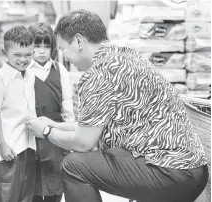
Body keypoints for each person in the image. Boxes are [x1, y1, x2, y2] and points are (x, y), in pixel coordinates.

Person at [26, 9, 209, 202]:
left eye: (63, 49)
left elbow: (83, 143)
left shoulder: (98, 74)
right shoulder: (124, 56)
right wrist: (53, 124)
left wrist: (45, 131)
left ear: (79, 41)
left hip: (168, 171)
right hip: (193, 171)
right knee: (111, 153)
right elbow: (90, 125)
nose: (64, 56)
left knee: (73, 166)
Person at [0, 25, 36, 202]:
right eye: (17, 55)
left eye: (28, 54)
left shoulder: (30, 76)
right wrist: (2, 144)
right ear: (4, 52)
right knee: (5, 194)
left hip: (28, 145)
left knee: (26, 194)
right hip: (10, 148)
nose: (23, 59)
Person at [28, 23, 75, 202]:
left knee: (55, 189)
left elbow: (67, 106)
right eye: (37, 46)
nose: (41, 51)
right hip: (30, 137)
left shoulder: (60, 70)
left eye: (46, 46)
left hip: (55, 138)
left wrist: (69, 138)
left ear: (53, 48)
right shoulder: (24, 71)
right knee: (31, 189)